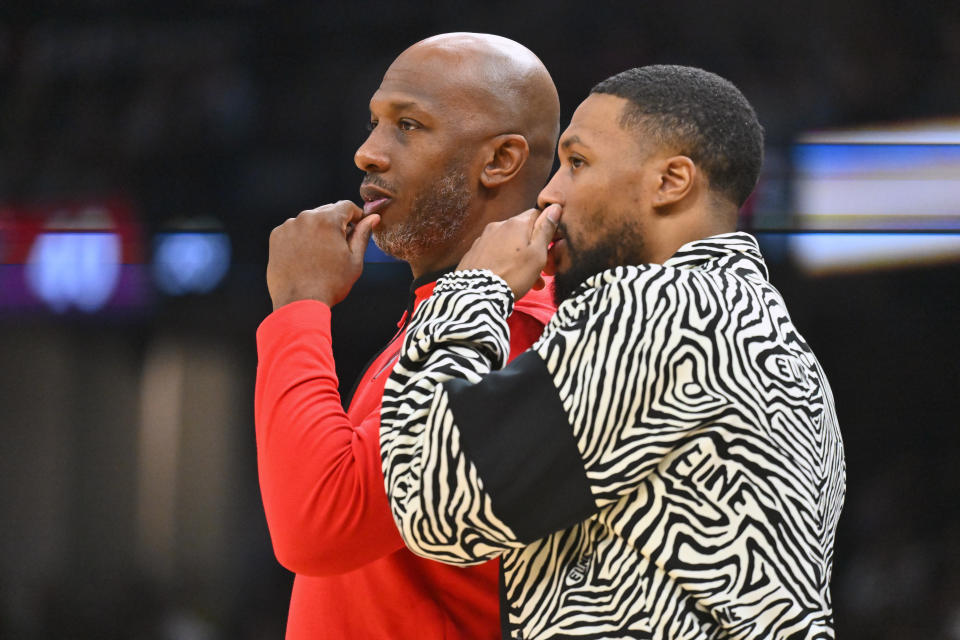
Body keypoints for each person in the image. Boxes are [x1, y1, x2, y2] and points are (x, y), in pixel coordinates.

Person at [380, 65, 846, 639]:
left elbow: (431, 504)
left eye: (577, 163)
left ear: (671, 181)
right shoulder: (782, 345)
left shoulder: (659, 308)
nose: (550, 192)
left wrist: (474, 287)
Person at [255, 33, 560, 639]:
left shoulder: (513, 335)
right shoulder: (448, 316)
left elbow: (318, 526)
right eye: (375, 121)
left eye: (410, 126)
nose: (367, 153)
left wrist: (299, 303)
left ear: (500, 160)